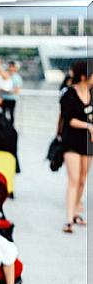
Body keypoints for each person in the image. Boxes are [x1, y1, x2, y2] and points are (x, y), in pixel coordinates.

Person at [60, 60, 93, 233]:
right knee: (73, 179)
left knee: (82, 180)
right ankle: (69, 219)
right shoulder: (68, 94)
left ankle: (76, 213)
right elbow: (69, 119)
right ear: (84, 76)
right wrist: (88, 125)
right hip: (71, 140)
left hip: (89, 142)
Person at [0, 61, 23, 126]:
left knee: (11, 114)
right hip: (3, 98)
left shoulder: (17, 78)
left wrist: (6, 91)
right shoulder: (4, 76)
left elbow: (16, 90)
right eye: (10, 67)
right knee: (3, 114)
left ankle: (10, 127)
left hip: (12, 99)